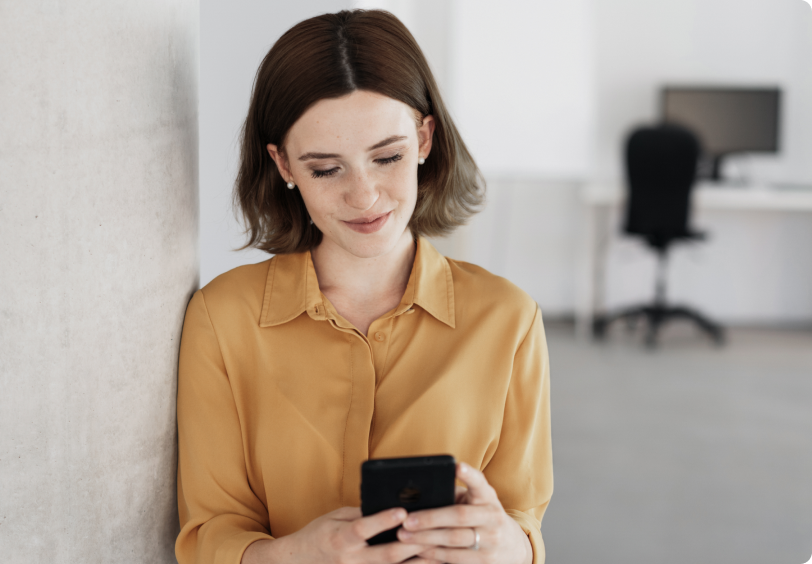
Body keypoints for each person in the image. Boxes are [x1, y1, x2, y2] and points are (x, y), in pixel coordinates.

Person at [175, 9, 552, 564]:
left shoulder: (508, 319)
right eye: (326, 169)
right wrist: (298, 555)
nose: (365, 196)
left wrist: (509, 549)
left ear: (425, 138)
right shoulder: (222, 318)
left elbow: (522, 521)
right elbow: (208, 535)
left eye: (388, 156)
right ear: (283, 164)